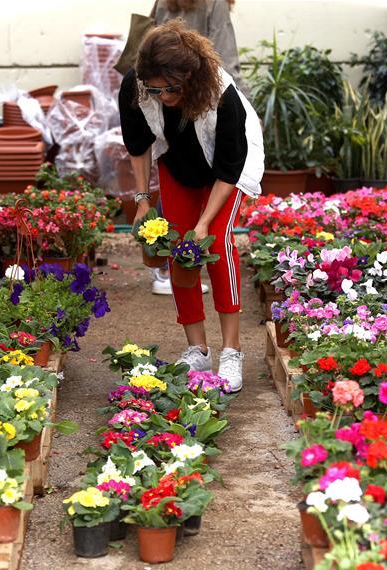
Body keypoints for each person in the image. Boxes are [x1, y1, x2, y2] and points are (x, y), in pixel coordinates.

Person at [119, 20, 264, 392]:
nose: (163, 96)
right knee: (178, 247)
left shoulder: (222, 96)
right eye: (156, 88)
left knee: (213, 242)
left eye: (172, 89)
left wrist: (204, 222)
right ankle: (197, 348)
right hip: (179, 163)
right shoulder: (137, 87)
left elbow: (229, 169)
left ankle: (232, 351)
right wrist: (141, 201)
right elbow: (138, 145)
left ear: (190, 77)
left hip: (226, 170)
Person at [149, 0, 245, 296]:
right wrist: (241, 106)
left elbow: (151, 48)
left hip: (167, 103)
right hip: (203, 104)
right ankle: (178, 262)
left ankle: (165, 264)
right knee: (208, 181)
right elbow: (226, 58)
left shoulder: (164, 2)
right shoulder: (212, 3)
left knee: (179, 175)